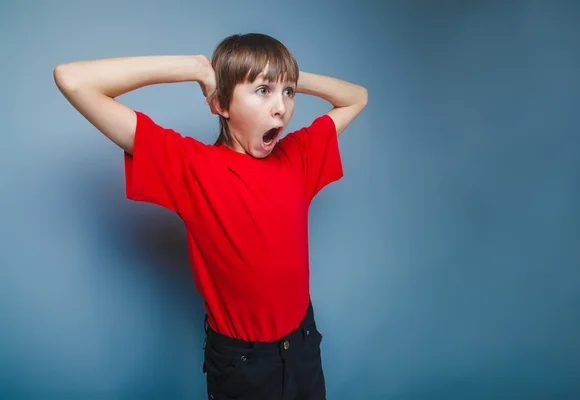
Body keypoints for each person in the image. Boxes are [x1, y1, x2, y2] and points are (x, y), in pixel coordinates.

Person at [54, 33, 368, 400]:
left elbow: (356, 97)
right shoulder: (192, 166)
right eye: (263, 90)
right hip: (243, 366)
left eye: (289, 93)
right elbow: (72, 79)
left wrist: (289, 76)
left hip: (302, 347)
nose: (282, 107)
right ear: (220, 102)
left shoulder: (298, 155)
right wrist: (194, 68)